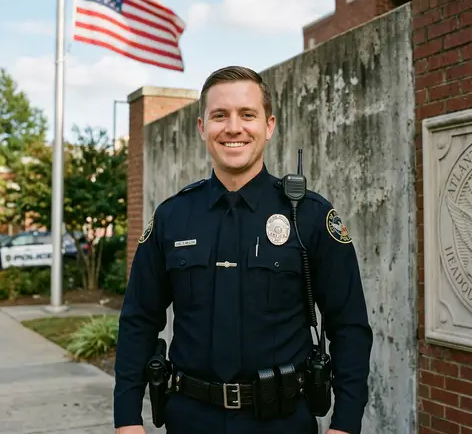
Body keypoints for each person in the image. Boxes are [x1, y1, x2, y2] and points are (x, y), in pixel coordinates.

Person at [114, 66, 373, 434]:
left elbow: (349, 326)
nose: (233, 127)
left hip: (282, 422)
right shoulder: (172, 217)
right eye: (220, 115)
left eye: (246, 115)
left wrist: (345, 424)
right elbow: (138, 319)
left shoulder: (310, 216)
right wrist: (126, 419)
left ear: (268, 126)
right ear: (203, 128)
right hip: (189, 420)